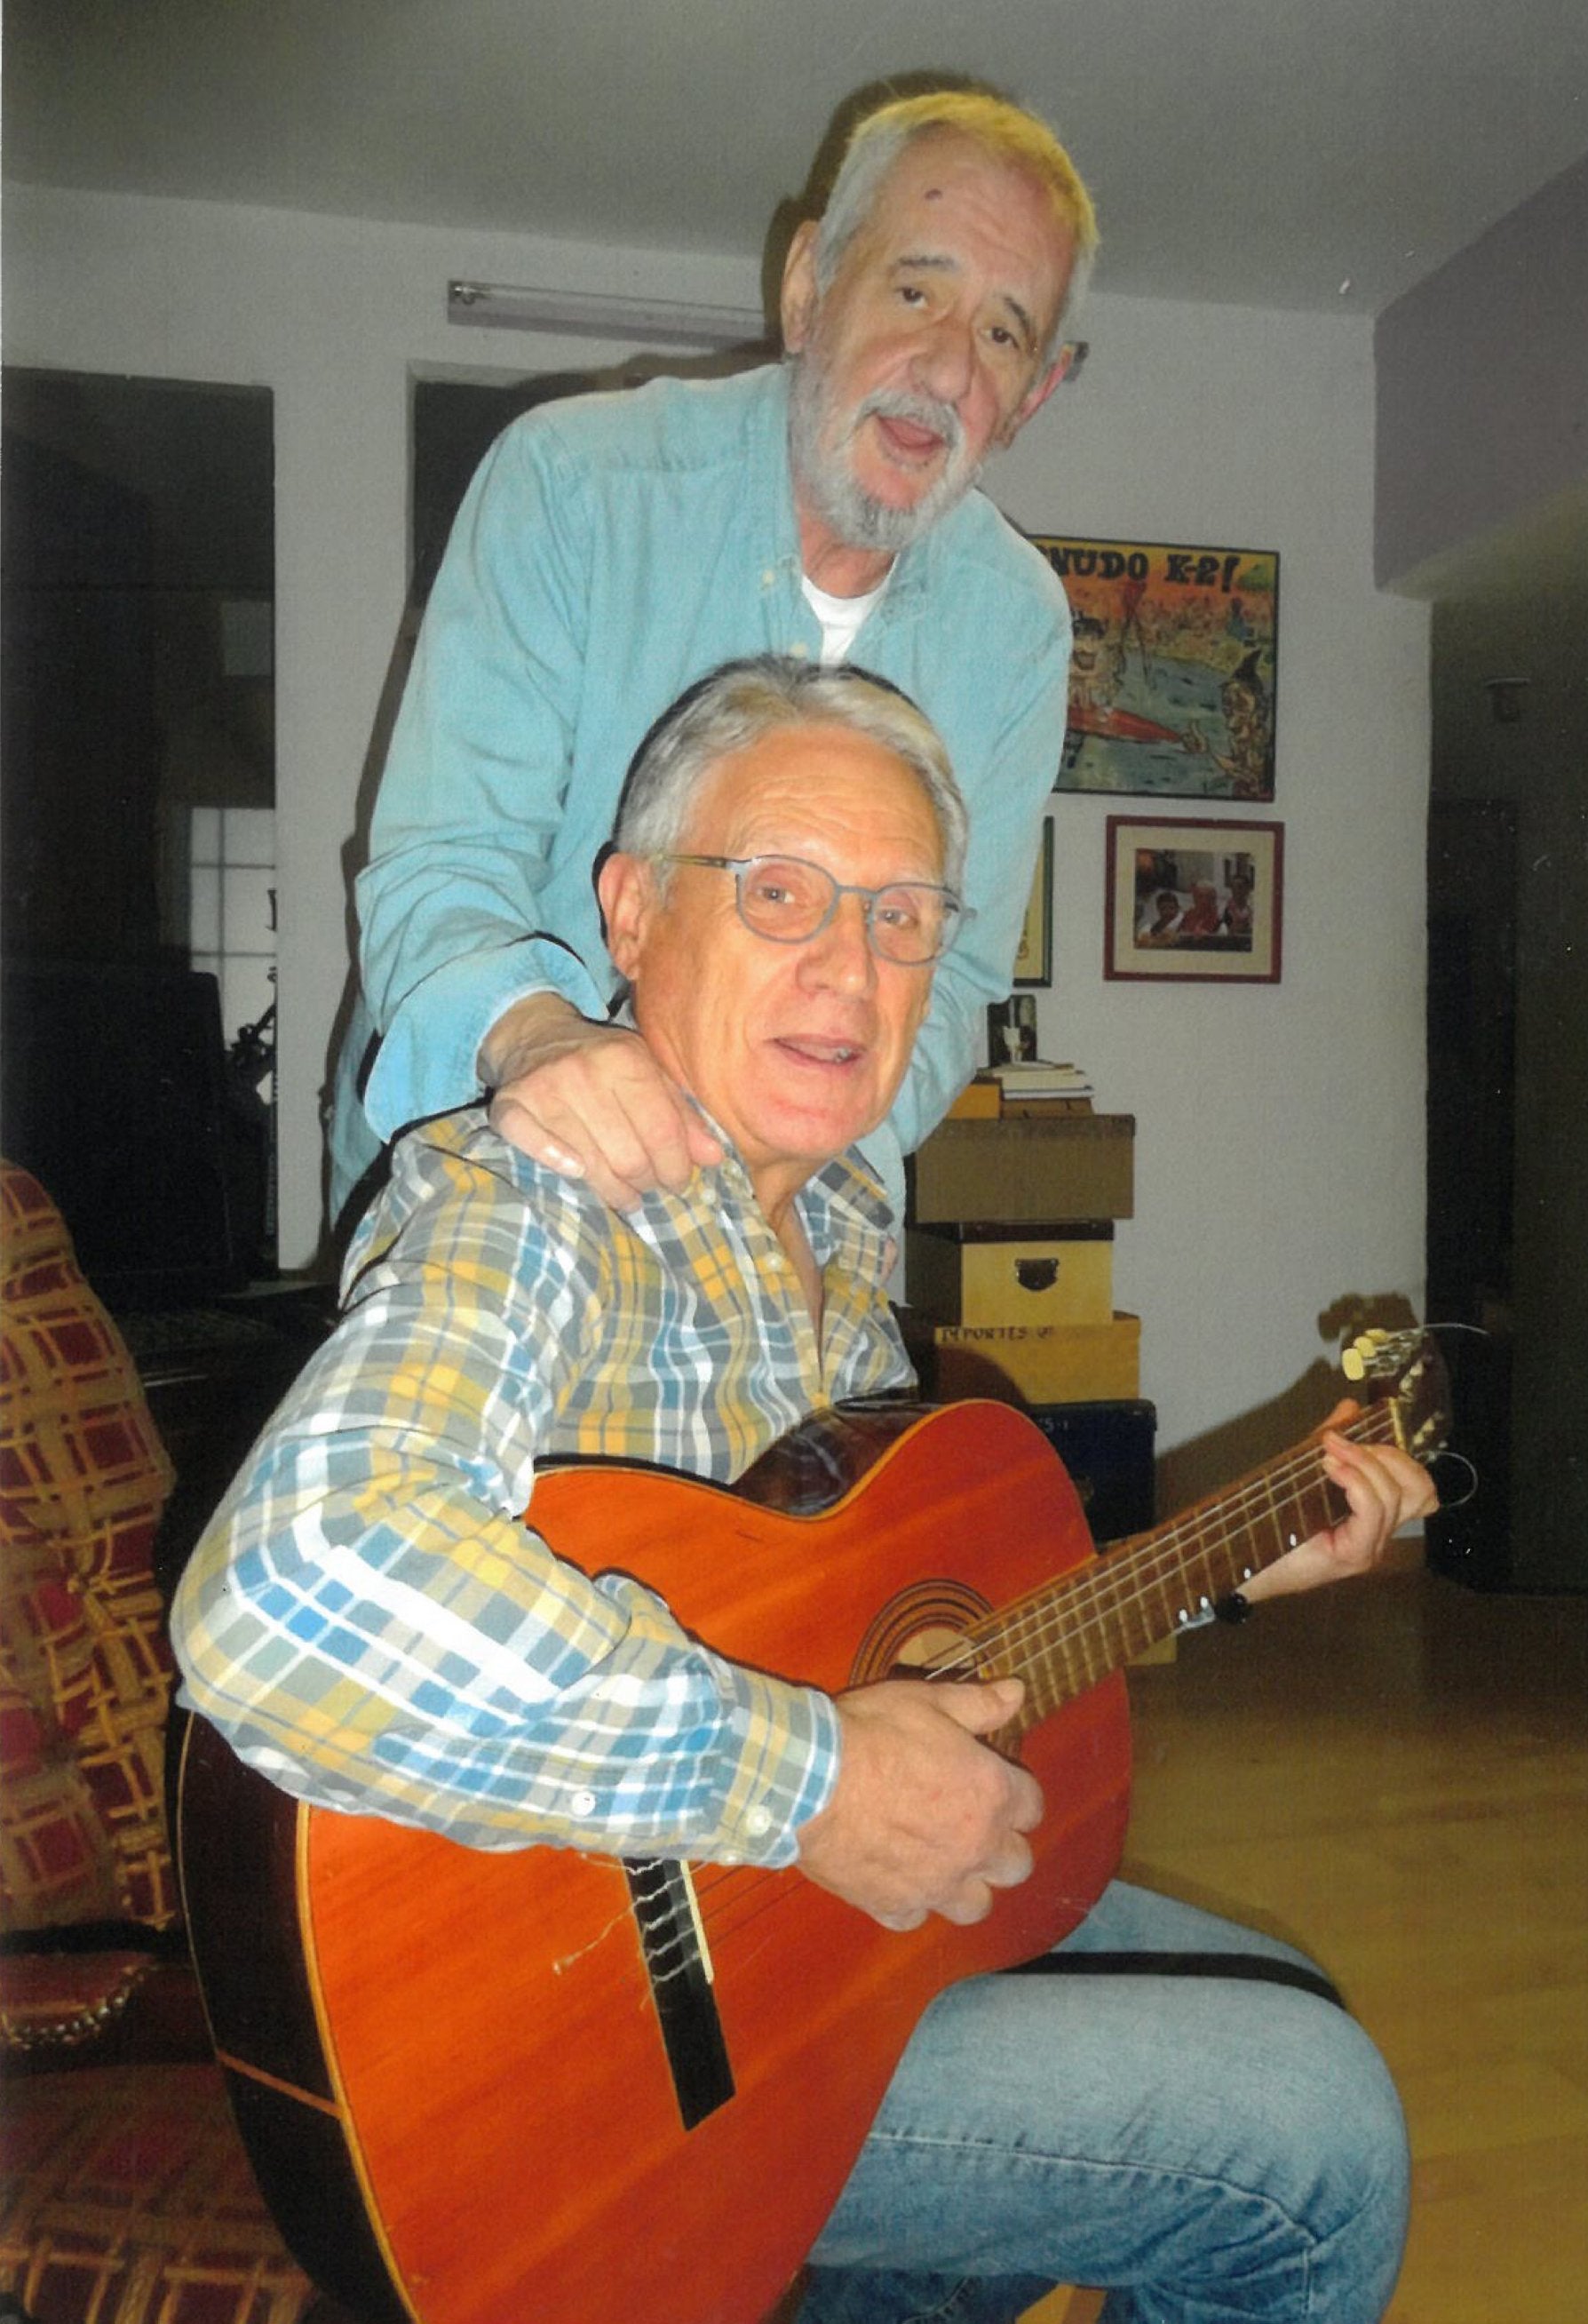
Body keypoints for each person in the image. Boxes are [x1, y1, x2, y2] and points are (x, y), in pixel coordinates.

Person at [179, 659, 1437, 2324]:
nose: (851, 967)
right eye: (781, 893)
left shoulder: (842, 1226)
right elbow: (294, 1591)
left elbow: (904, 1642)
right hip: (563, 2056)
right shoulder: (540, 1196)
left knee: (1275, 1994)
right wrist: (812, 1783)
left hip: (796, 1974)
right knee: (1304, 2136)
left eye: (906, 918)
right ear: (630, 917)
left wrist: (1230, 1568)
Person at [330, 86, 1097, 1229]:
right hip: (486, 1153)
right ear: (806, 290)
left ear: (1032, 394)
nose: (946, 371)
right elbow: (445, 862)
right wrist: (544, 1045)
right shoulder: (574, 484)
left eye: (1001, 332)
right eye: (915, 290)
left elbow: (958, 979)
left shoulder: (1020, 628)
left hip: (773, 1212)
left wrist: (816, 1189)